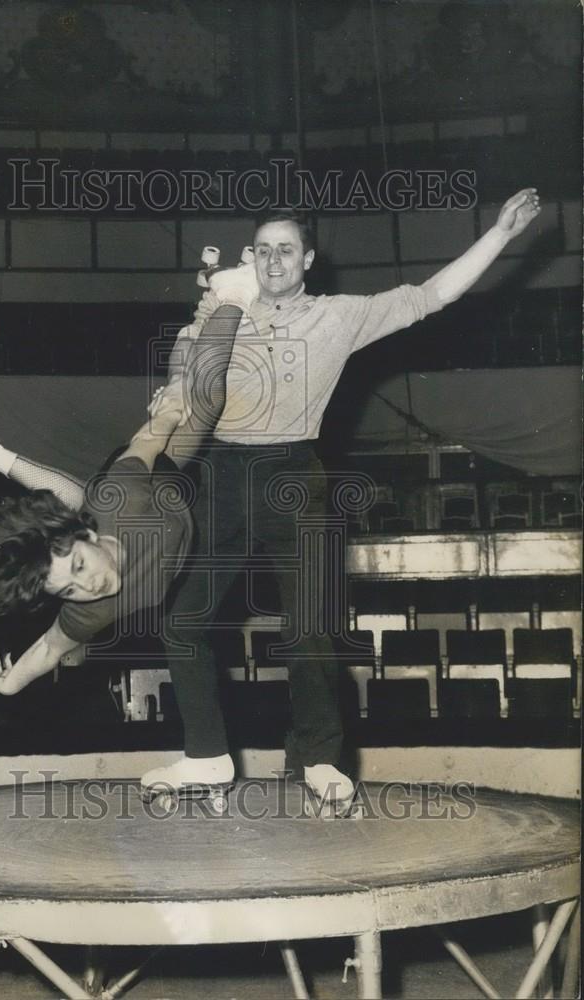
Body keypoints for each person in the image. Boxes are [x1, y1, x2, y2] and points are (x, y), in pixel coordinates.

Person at [139, 188, 541, 815]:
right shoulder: (222, 309)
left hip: (294, 474)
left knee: (313, 630)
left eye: (287, 251)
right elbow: (182, 382)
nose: (275, 261)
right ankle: (207, 754)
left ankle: (319, 757)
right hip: (220, 474)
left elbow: (431, 297)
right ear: (252, 257)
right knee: (182, 621)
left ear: (307, 261)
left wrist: (501, 234)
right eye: (265, 250)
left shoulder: (338, 316)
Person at [0, 264, 258, 749]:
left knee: (203, 397)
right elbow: (51, 647)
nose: (86, 584)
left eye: (77, 566)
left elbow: (144, 445)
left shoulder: (121, 497)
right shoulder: (86, 612)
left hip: (154, 477)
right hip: (172, 527)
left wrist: (171, 409)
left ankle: (232, 294)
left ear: (87, 540)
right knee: (84, 494)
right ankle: (199, 320)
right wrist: (10, 682)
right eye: (69, 588)